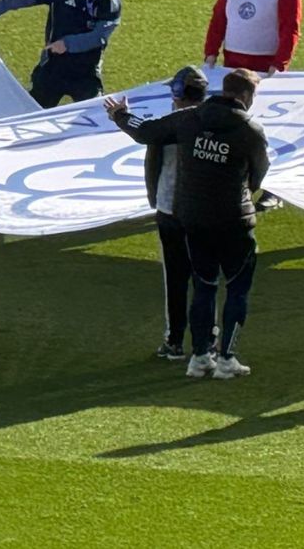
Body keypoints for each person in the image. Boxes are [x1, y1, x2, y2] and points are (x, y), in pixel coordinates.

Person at [105, 69, 270, 380]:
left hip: (193, 217)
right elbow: (259, 173)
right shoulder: (250, 130)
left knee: (203, 286)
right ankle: (227, 359)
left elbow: (147, 132)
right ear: (247, 96)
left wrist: (120, 116)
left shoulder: (190, 118)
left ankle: (199, 356)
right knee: (237, 288)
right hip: (234, 219)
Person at [106, 66, 210, 360]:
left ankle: (175, 341)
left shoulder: (176, 123)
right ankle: (207, 342)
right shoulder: (216, 120)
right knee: (205, 279)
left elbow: (145, 132)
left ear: (178, 94)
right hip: (206, 211)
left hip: (171, 209)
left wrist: (119, 115)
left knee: (176, 279)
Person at [202, 0, 300, 211]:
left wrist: (279, 64)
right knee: (231, 125)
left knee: (268, 128)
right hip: (232, 67)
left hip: (264, 70)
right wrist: (211, 51)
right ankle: (232, 182)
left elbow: (289, 26)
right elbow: (219, 18)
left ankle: (273, 187)